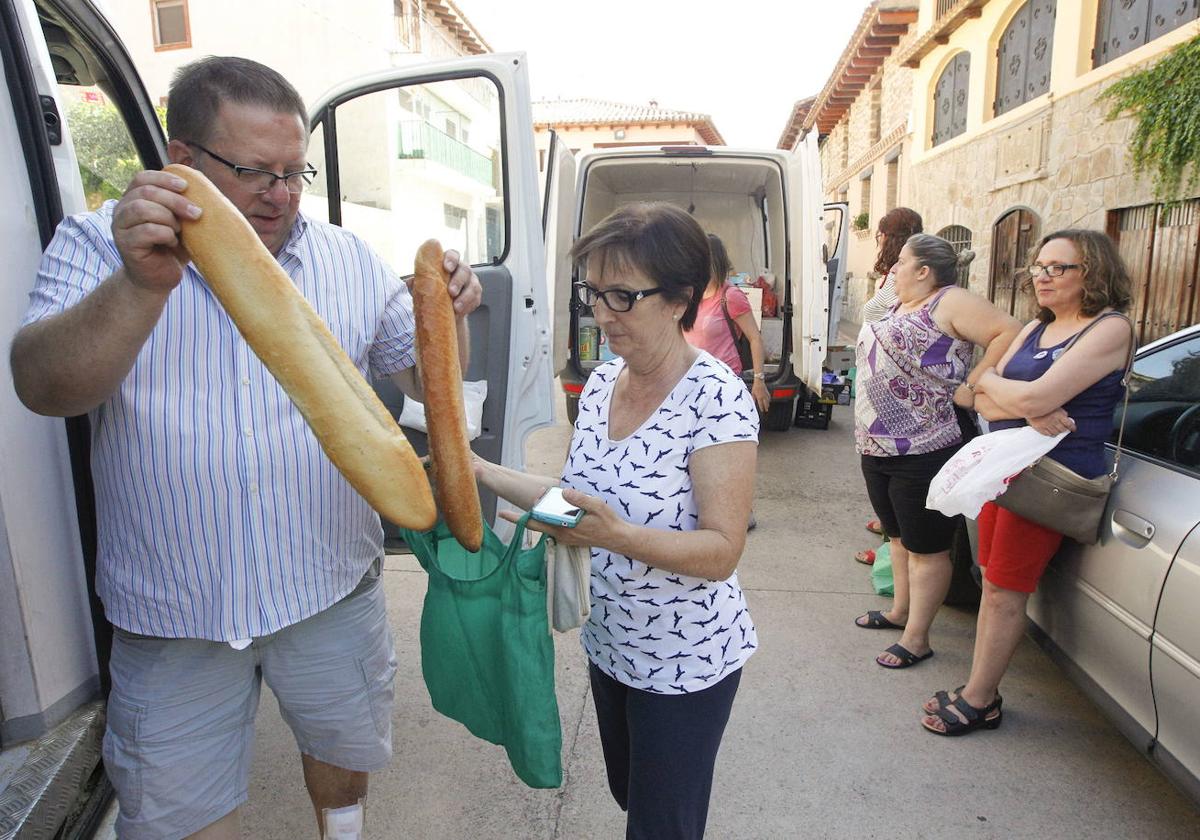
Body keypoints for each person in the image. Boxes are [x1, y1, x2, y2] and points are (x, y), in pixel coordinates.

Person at [9, 57, 482, 839]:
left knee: (342, 749)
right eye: (258, 171)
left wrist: (452, 311)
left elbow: (427, 383)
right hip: (175, 612)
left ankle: (343, 828)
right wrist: (139, 285)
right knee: (176, 815)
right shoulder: (99, 247)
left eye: (296, 170)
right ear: (183, 160)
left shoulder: (348, 258)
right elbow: (44, 387)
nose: (285, 193)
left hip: (327, 588)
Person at [474, 202, 758, 839]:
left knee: (661, 828)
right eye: (594, 292)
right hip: (612, 645)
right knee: (632, 795)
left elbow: (720, 552)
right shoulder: (603, 381)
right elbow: (578, 501)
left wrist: (614, 536)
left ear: (681, 298)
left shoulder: (716, 397)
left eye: (624, 296)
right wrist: (481, 472)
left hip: (685, 660)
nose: (603, 314)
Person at [921, 229, 1134, 735]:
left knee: (1003, 590)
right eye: (1038, 266)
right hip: (1005, 469)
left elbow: (1009, 392)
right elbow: (970, 394)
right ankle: (980, 687)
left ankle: (980, 698)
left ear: (1094, 274)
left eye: (1059, 267)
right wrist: (1019, 399)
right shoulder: (1036, 328)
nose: (1042, 275)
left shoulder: (1109, 329)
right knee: (990, 578)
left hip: (1050, 478)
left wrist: (1005, 391)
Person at [852, 234, 1020, 669]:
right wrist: (890, 286)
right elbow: (869, 314)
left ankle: (917, 638)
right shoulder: (895, 304)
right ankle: (899, 612)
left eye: (901, 263)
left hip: (929, 442)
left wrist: (974, 384)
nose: (893, 270)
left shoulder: (950, 300)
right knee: (899, 538)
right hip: (879, 442)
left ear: (925, 270)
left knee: (927, 547)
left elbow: (1008, 331)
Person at [856, 207, 923, 564]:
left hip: (893, 386)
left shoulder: (902, 276)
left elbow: (883, 316)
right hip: (880, 382)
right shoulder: (893, 273)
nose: (878, 239)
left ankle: (888, 544)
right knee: (882, 476)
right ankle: (889, 532)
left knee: (894, 475)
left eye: (880, 233)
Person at [684, 233, 771, 413]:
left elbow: (755, 338)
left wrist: (759, 380)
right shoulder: (689, 296)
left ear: (713, 263)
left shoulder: (730, 296)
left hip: (723, 382)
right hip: (690, 381)